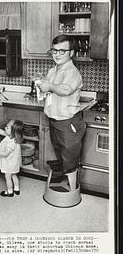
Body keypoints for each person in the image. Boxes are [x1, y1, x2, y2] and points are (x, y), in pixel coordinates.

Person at [36, 34, 86, 191]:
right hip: (54, 121)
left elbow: (64, 89)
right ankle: (63, 186)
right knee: (60, 155)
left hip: (68, 123)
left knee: (70, 159)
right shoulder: (52, 70)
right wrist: (42, 87)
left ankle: (72, 191)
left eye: (62, 51)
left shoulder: (72, 71)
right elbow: (50, 89)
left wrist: (49, 86)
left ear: (71, 53)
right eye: (54, 50)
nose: (57, 54)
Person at [0, 120, 23, 197]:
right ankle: (17, 189)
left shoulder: (11, 143)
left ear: (13, 132)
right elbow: (2, 132)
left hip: (9, 164)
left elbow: (5, 154)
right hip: (14, 163)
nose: (5, 128)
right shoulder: (14, 138)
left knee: (8, 177)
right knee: (14, 175)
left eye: (7, 127)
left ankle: (10, 192)